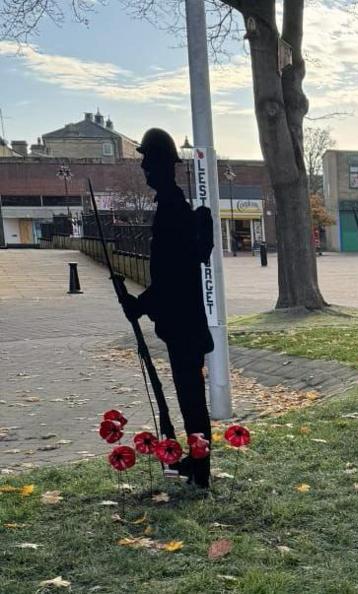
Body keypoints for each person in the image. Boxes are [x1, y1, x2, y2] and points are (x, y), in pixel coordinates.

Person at [119, 128, 214, 488]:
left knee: (192, 401)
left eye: (149, 161)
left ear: (164, 165)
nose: (144, 167)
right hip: (181, 323)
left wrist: (140, 305)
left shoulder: (173, 210)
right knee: (190, 398)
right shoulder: (171, 207)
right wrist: (141, 304)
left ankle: (201, 469)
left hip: (184, 323)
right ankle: (197, 463)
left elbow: (172, 276)